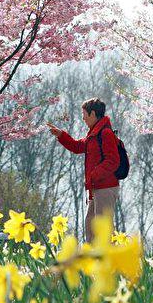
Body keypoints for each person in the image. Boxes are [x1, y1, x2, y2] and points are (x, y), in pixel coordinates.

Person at [47, 98, 120, 242]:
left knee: (102, 231)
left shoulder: (105, 133)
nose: (83, 118)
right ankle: (92, 262)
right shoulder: (93, 134)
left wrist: (93, 175)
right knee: (91, 227)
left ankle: (110, 262)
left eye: (84, 114)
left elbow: (113, 161)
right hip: (96, 187)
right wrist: (61, 135)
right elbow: (78, 146)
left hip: (105, 188)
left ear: (92, 113)